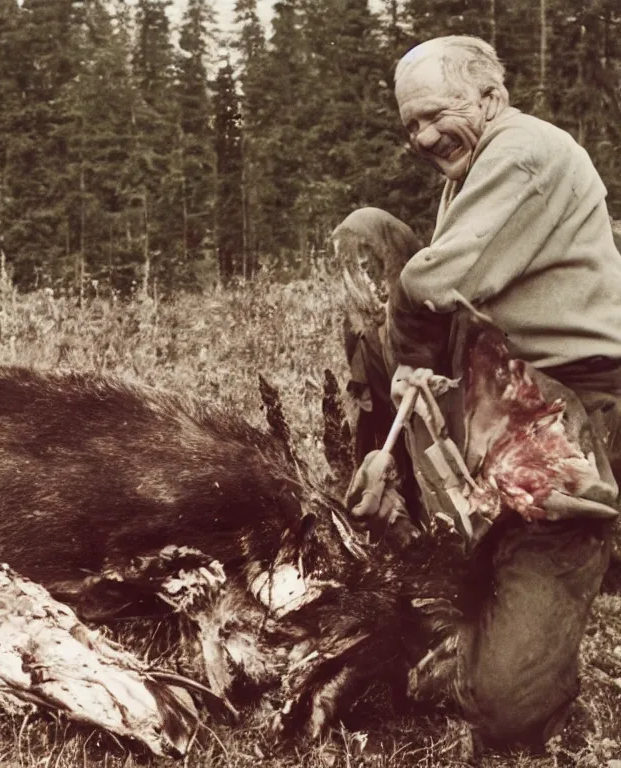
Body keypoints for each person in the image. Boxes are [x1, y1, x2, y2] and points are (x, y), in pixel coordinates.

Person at [343, 35, 621, 751]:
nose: (424, 136)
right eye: (411, 124)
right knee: (366, 234)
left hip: (569, 413)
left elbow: (435, 285)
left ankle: (522, 589)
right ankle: (410, 500)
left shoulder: (522, 152)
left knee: (506, 709)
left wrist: (411, 357)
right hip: (498, 385)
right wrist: (400, 411)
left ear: (490, 97)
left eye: (435, 114)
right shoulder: (474, 166)